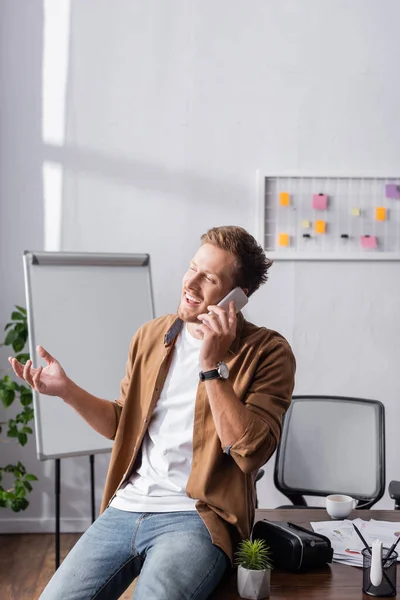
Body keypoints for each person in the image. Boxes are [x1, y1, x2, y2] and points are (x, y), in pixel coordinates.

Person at [10, 225, 295, 600]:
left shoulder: (268, 352)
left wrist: (210, 366)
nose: (189, 284)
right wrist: (66, 391)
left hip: (196, 518)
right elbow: (120, 423)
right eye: (191, 268)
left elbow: (249, 453)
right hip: (125, 506)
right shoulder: (151, 335)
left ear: (236, 297)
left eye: (207, 278)